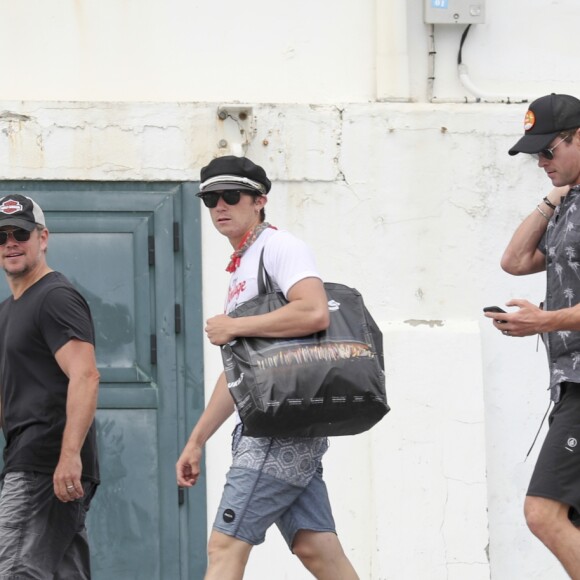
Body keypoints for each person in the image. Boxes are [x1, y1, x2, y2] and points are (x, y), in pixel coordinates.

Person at [176, 156, 359, 580]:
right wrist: (197, 439)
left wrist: (235, 325)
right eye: (210, 199)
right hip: (274, 423)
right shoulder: (242, 264)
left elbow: (314, 311)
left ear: (260, 200)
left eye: (231, 196)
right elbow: (239, 371)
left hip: (278, 426)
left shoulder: (278, 247)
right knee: (317, 549)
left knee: (225, 543)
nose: (219, 206)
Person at [485, 93, 580, 577]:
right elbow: (515, 261)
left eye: (550, 150)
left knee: (543, 513)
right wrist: (552, 198)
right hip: (569, 383)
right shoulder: (569, 205)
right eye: (536, 153)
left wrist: (544, 320)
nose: (542, 161)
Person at [0, 194, 100, 579]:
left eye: (20, 234)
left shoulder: (54, 297)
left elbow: (86, 375)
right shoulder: (8, 311)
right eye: (2, 236)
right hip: (36, 463)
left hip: (44, 463)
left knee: (14, 571)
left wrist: (69, 455)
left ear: (43, 238)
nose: (11, 243)